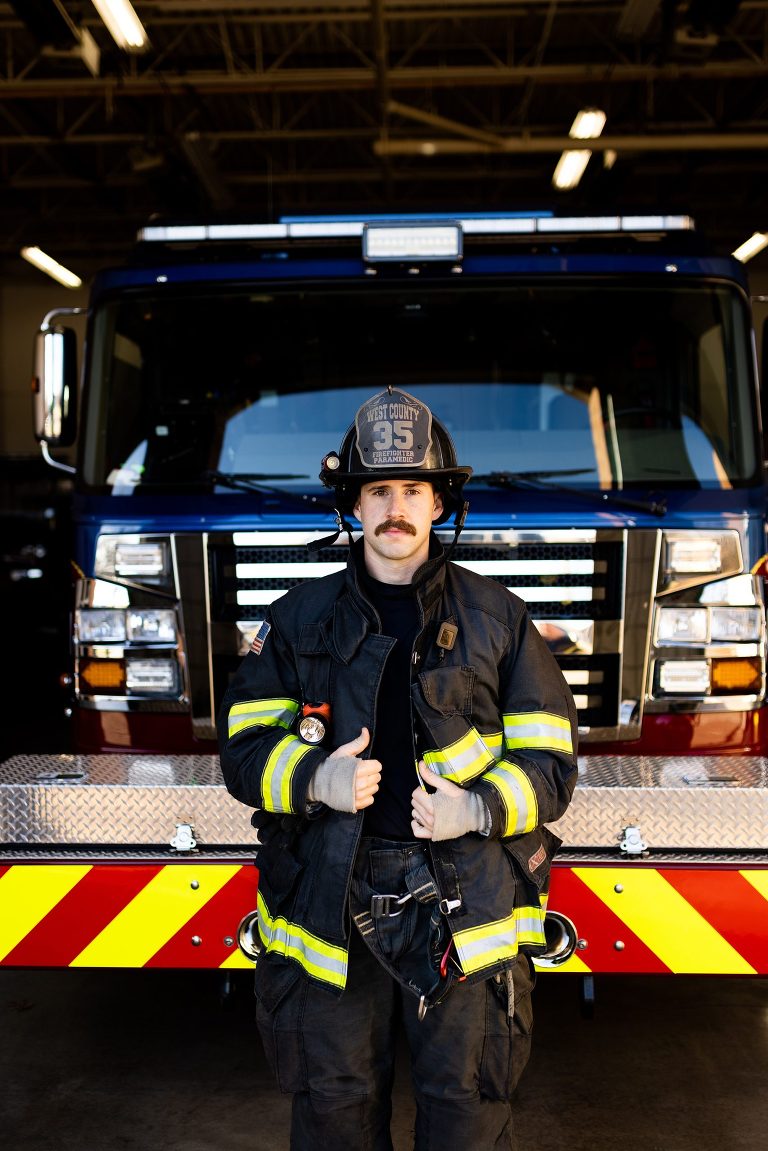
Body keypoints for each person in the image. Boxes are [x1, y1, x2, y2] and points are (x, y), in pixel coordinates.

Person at [218, 387, 578, 1151]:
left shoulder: (500, 619)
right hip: (330, 903)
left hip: (463, 900)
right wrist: (316, 779)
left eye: (412, 488)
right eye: (378, 488)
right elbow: (243, 746)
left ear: (440, 499)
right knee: (336, 1110)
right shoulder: (292, 621)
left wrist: (475, 809)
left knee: (465, 1111)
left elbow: (551, 761)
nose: (395, 507)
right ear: (354, 501)